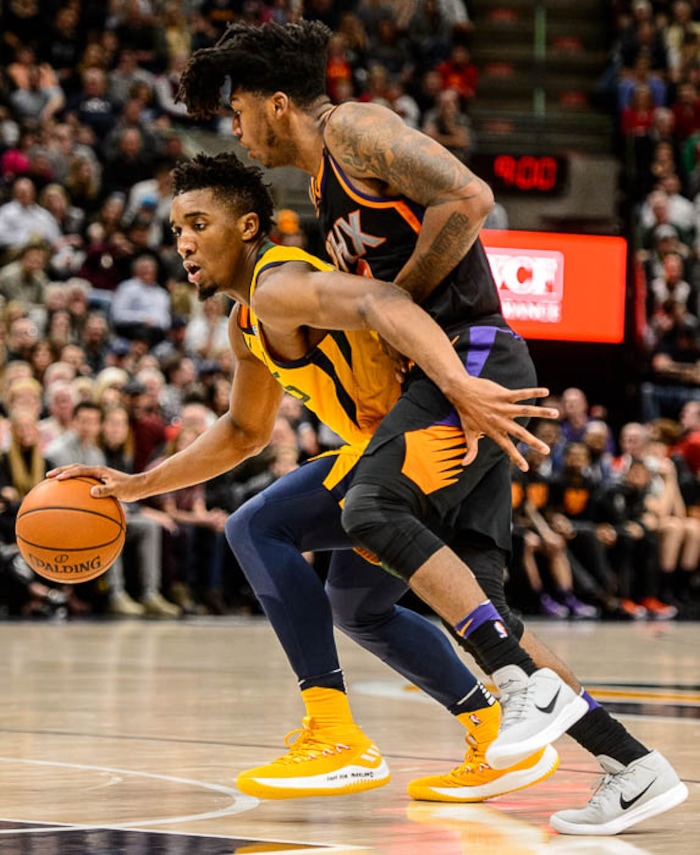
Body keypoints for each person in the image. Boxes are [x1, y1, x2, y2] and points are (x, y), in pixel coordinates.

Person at [173, 21, 687, 834]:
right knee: (485, 609)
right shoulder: (317, 194)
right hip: (450, 372)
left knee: (368, 510)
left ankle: (516, 692)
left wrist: (397, 308)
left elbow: (471, 197)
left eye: (237, 110)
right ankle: (634, 766)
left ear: (277, 103)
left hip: (472, 356)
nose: (234, 128)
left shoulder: (357, 129)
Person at [50, 152, 580, 804]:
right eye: (174, 229)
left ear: (247, 227)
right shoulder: (246, 320)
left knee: (256, 523)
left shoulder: (282, 283)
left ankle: (335, 734)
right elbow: (244, 432)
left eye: (197, 222)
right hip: (399, 449)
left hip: (428, 440)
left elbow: (386, 298)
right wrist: (137, 484)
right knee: (362, 606)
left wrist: (458, 388)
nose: (182, 241)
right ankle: (499, 731)